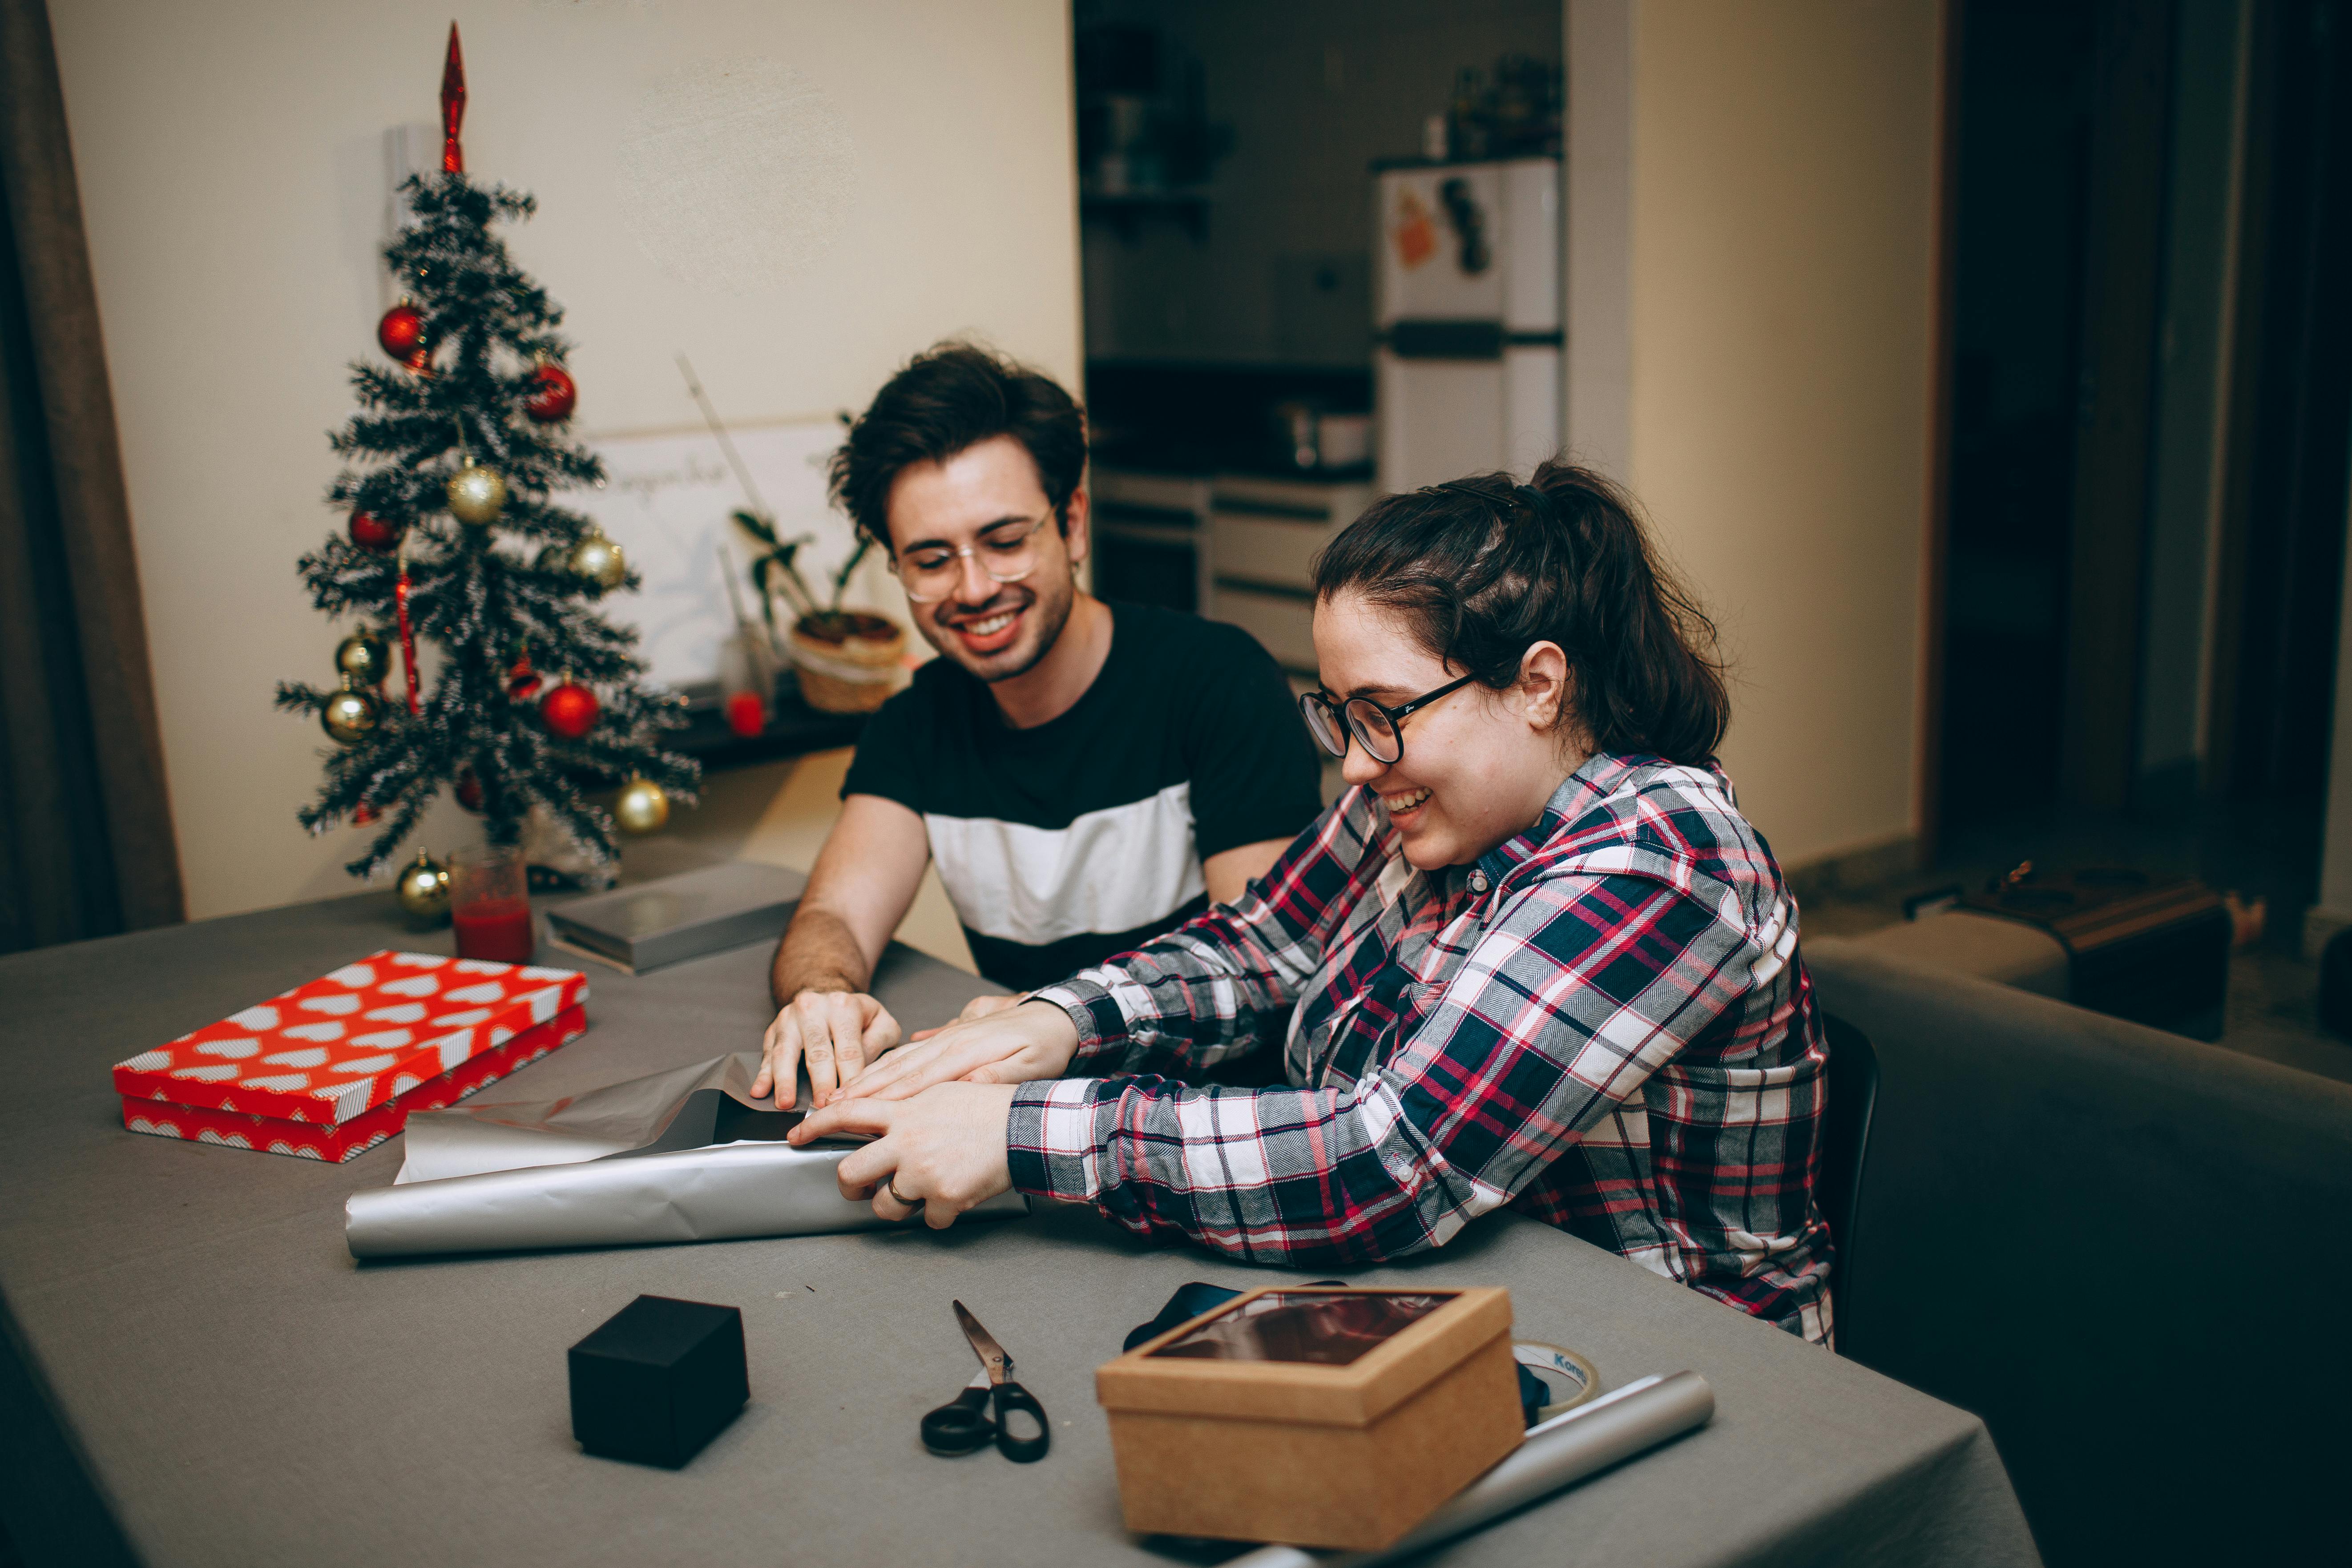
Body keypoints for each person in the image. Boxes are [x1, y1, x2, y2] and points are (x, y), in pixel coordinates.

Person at [786, 458, 1835, 1345]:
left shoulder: (1658, 867)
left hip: (1675, 1357)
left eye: (1381, 714)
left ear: (1539, 683)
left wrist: (1021, 1133)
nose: (1354, 765)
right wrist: (1054, 1022)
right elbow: (1259, 948)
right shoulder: (1425, 794)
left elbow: (1389, 1159)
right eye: (1340, 715)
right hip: (1470, 1295)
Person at [755, 343, 1322, 1112]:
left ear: (1073, 524)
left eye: (1005, 540)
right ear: (898, 570)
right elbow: (832, 917)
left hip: (1206, 1129)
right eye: (930, 559)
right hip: (1017, 1114)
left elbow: (1263, 974)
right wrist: (821, 996)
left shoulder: (1220, 684)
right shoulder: (914, 724)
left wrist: (1052, 1027)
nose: (975, 587)